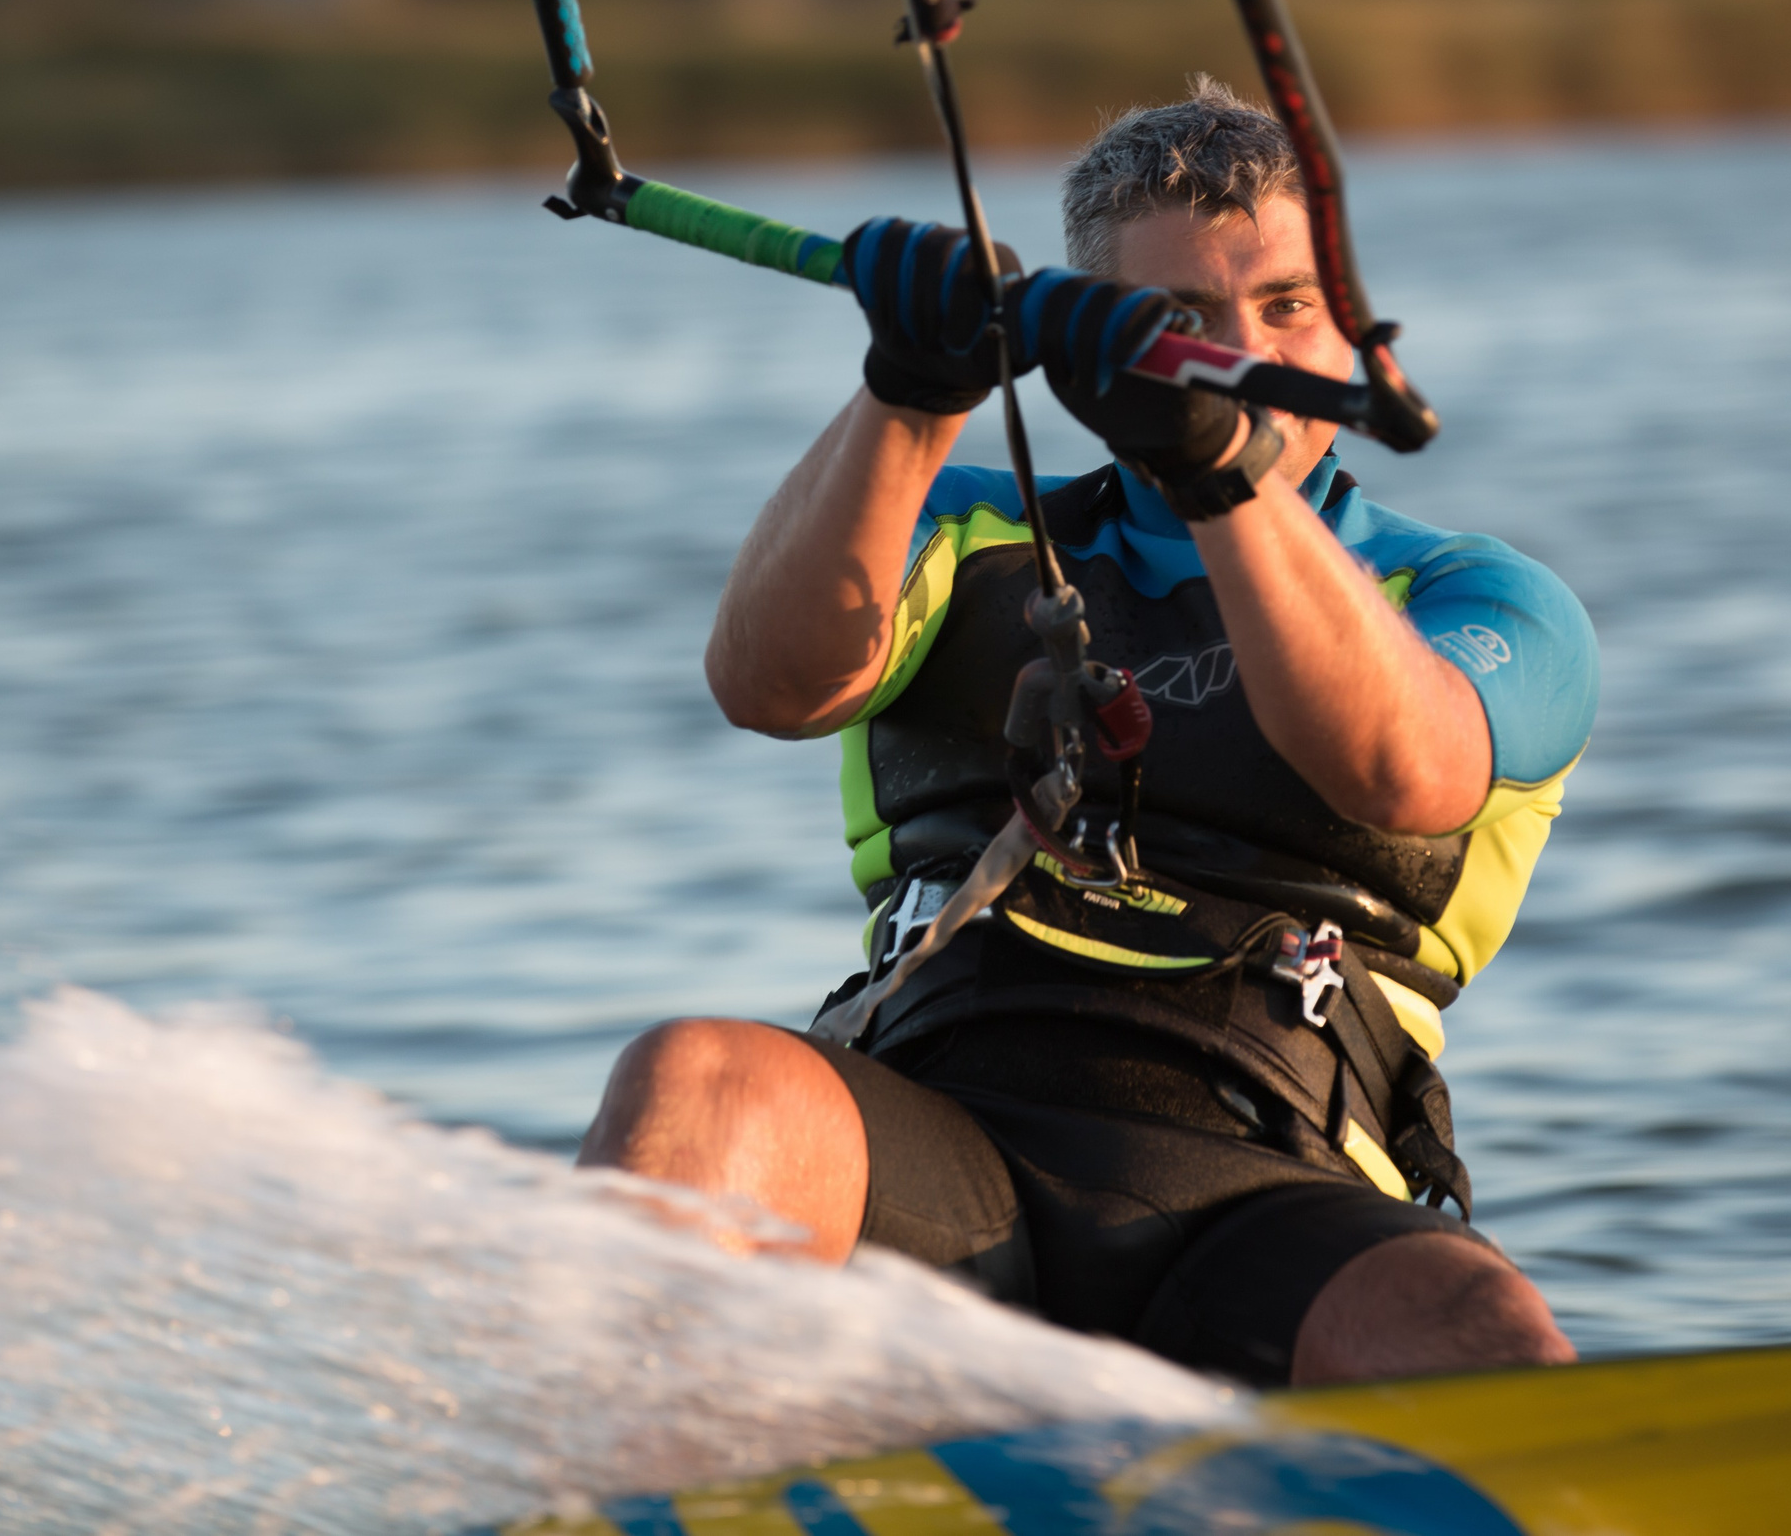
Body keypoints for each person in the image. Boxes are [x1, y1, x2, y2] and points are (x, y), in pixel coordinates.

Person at [579, 78, 1599, 1388]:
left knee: (1473, 1321)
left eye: (1287, 304)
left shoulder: (1480, 598)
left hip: (1266, 1184)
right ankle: (622, 1460)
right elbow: (766, 685)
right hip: (932, 1136)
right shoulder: (962, 525)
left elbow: (1401, 767)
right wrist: (908, 393)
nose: (1240, 350)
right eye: (1180, 320)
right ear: (1092, 350)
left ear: (1350, 322)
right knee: (699, 1083)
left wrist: (1218, 471)